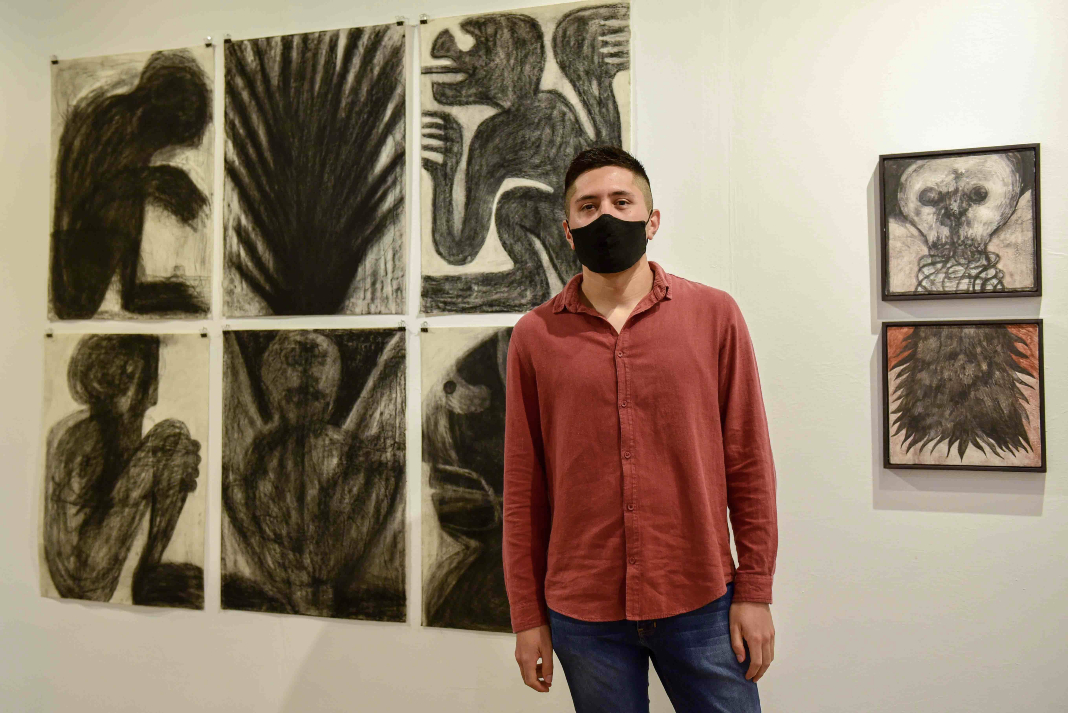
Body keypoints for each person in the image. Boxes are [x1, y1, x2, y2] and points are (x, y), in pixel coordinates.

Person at [502, 146, 778, 712]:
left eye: (621, 201)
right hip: (584, 612)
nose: (605, 216)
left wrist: (755, 590)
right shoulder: (535, 336)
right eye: (588, 206)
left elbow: (748, 460)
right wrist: (527, 616)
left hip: (700, 598)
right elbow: (523, 487)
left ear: (652, 220)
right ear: (567, 230)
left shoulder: (714, 315)